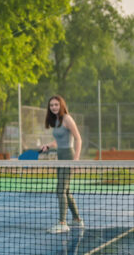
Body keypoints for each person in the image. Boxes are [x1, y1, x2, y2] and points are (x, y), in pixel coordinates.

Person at [41, 95, 84, 234]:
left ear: (61, 105)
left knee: (60, 190)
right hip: (60, 158)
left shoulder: (67, 118)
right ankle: (77, 220)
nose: (54, 107)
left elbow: (78, 138)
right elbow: (57, 141)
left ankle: (62, 223)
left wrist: (75, 160)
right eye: (51, 105)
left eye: (56, 105)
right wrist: (49, 145)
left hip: (68, 157)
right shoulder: (57, 120)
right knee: (65, 191)